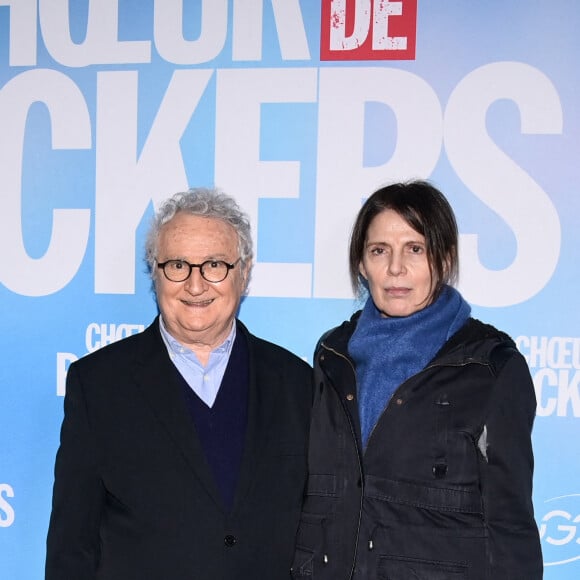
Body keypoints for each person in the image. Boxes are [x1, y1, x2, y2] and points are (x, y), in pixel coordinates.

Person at [46, 187, 312, 580]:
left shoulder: (297, 384)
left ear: (245, 270)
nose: (195, 284)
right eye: (178, 265)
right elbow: (72, 546)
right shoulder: (98, 385)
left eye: (215, 265)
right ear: (155, 271)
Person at [291, 180, 542, 579]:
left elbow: (509, 523)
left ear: (444, 258)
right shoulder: (332, 357)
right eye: (379, 251)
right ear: (361, 263)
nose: (395, 268)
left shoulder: (489, 368)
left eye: (415, 249)